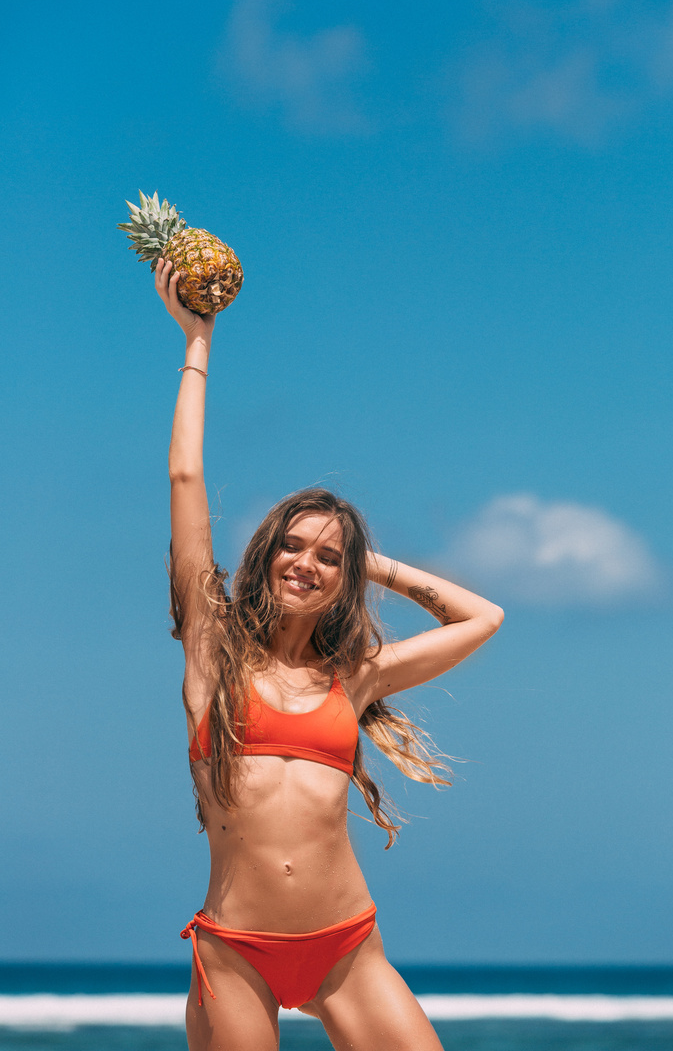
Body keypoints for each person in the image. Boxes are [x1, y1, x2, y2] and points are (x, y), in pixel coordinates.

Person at [155, 257, 504, 1051]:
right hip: (235, 948)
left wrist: (372, 559)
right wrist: (197, 342)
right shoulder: (213, 659)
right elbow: (184, 476)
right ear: (265, 554)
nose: (305, 563)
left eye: (328, 557)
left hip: (345, 944)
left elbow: (483, 617)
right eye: (292, 546)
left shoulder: (355, 676)